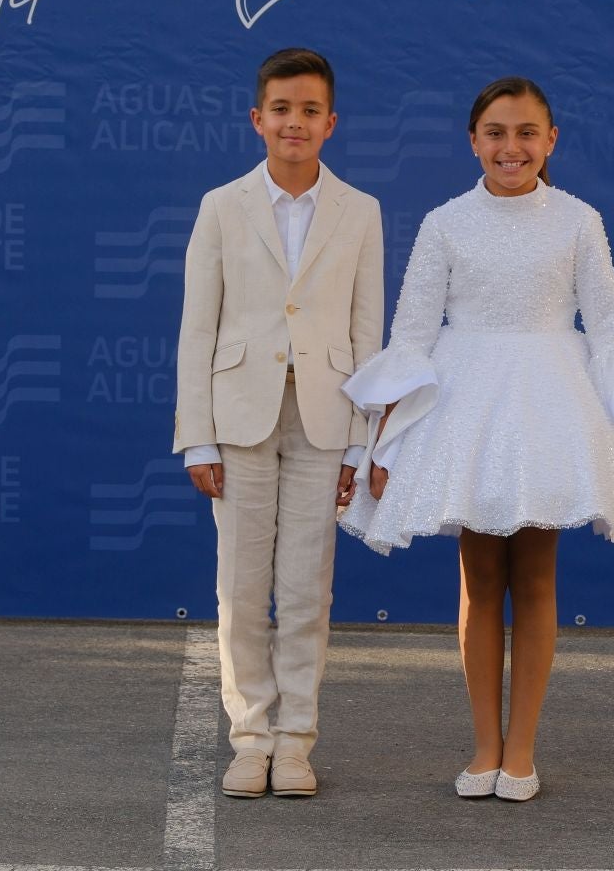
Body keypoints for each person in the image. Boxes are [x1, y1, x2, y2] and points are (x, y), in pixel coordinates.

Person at [337, 76, 614, 802]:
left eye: (525, 133)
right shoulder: (445, 221)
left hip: (554, 406)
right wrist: (383, 442)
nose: (509, 147)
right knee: (479, 580)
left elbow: (610, 333)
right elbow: (413, 335)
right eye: (494, 132)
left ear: (551, 140)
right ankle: (484, 744)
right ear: (472, 141)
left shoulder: (580, 220)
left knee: (536, 577)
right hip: (465, 408)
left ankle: (522, 750)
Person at [172, 47, 385, 800]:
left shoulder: (360, 211)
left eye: (310, 111)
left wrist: (366, 440)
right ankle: (249, 738)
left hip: (326, 422)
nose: (296, 123)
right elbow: (198, 328)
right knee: (240, 587)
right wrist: (197, 435)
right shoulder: (222, 206)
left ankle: (295, 742)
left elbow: (368, 336)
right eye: (282, 110)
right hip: (239, 418)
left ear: (332, 123)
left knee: (306, 589)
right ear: (257, 118)